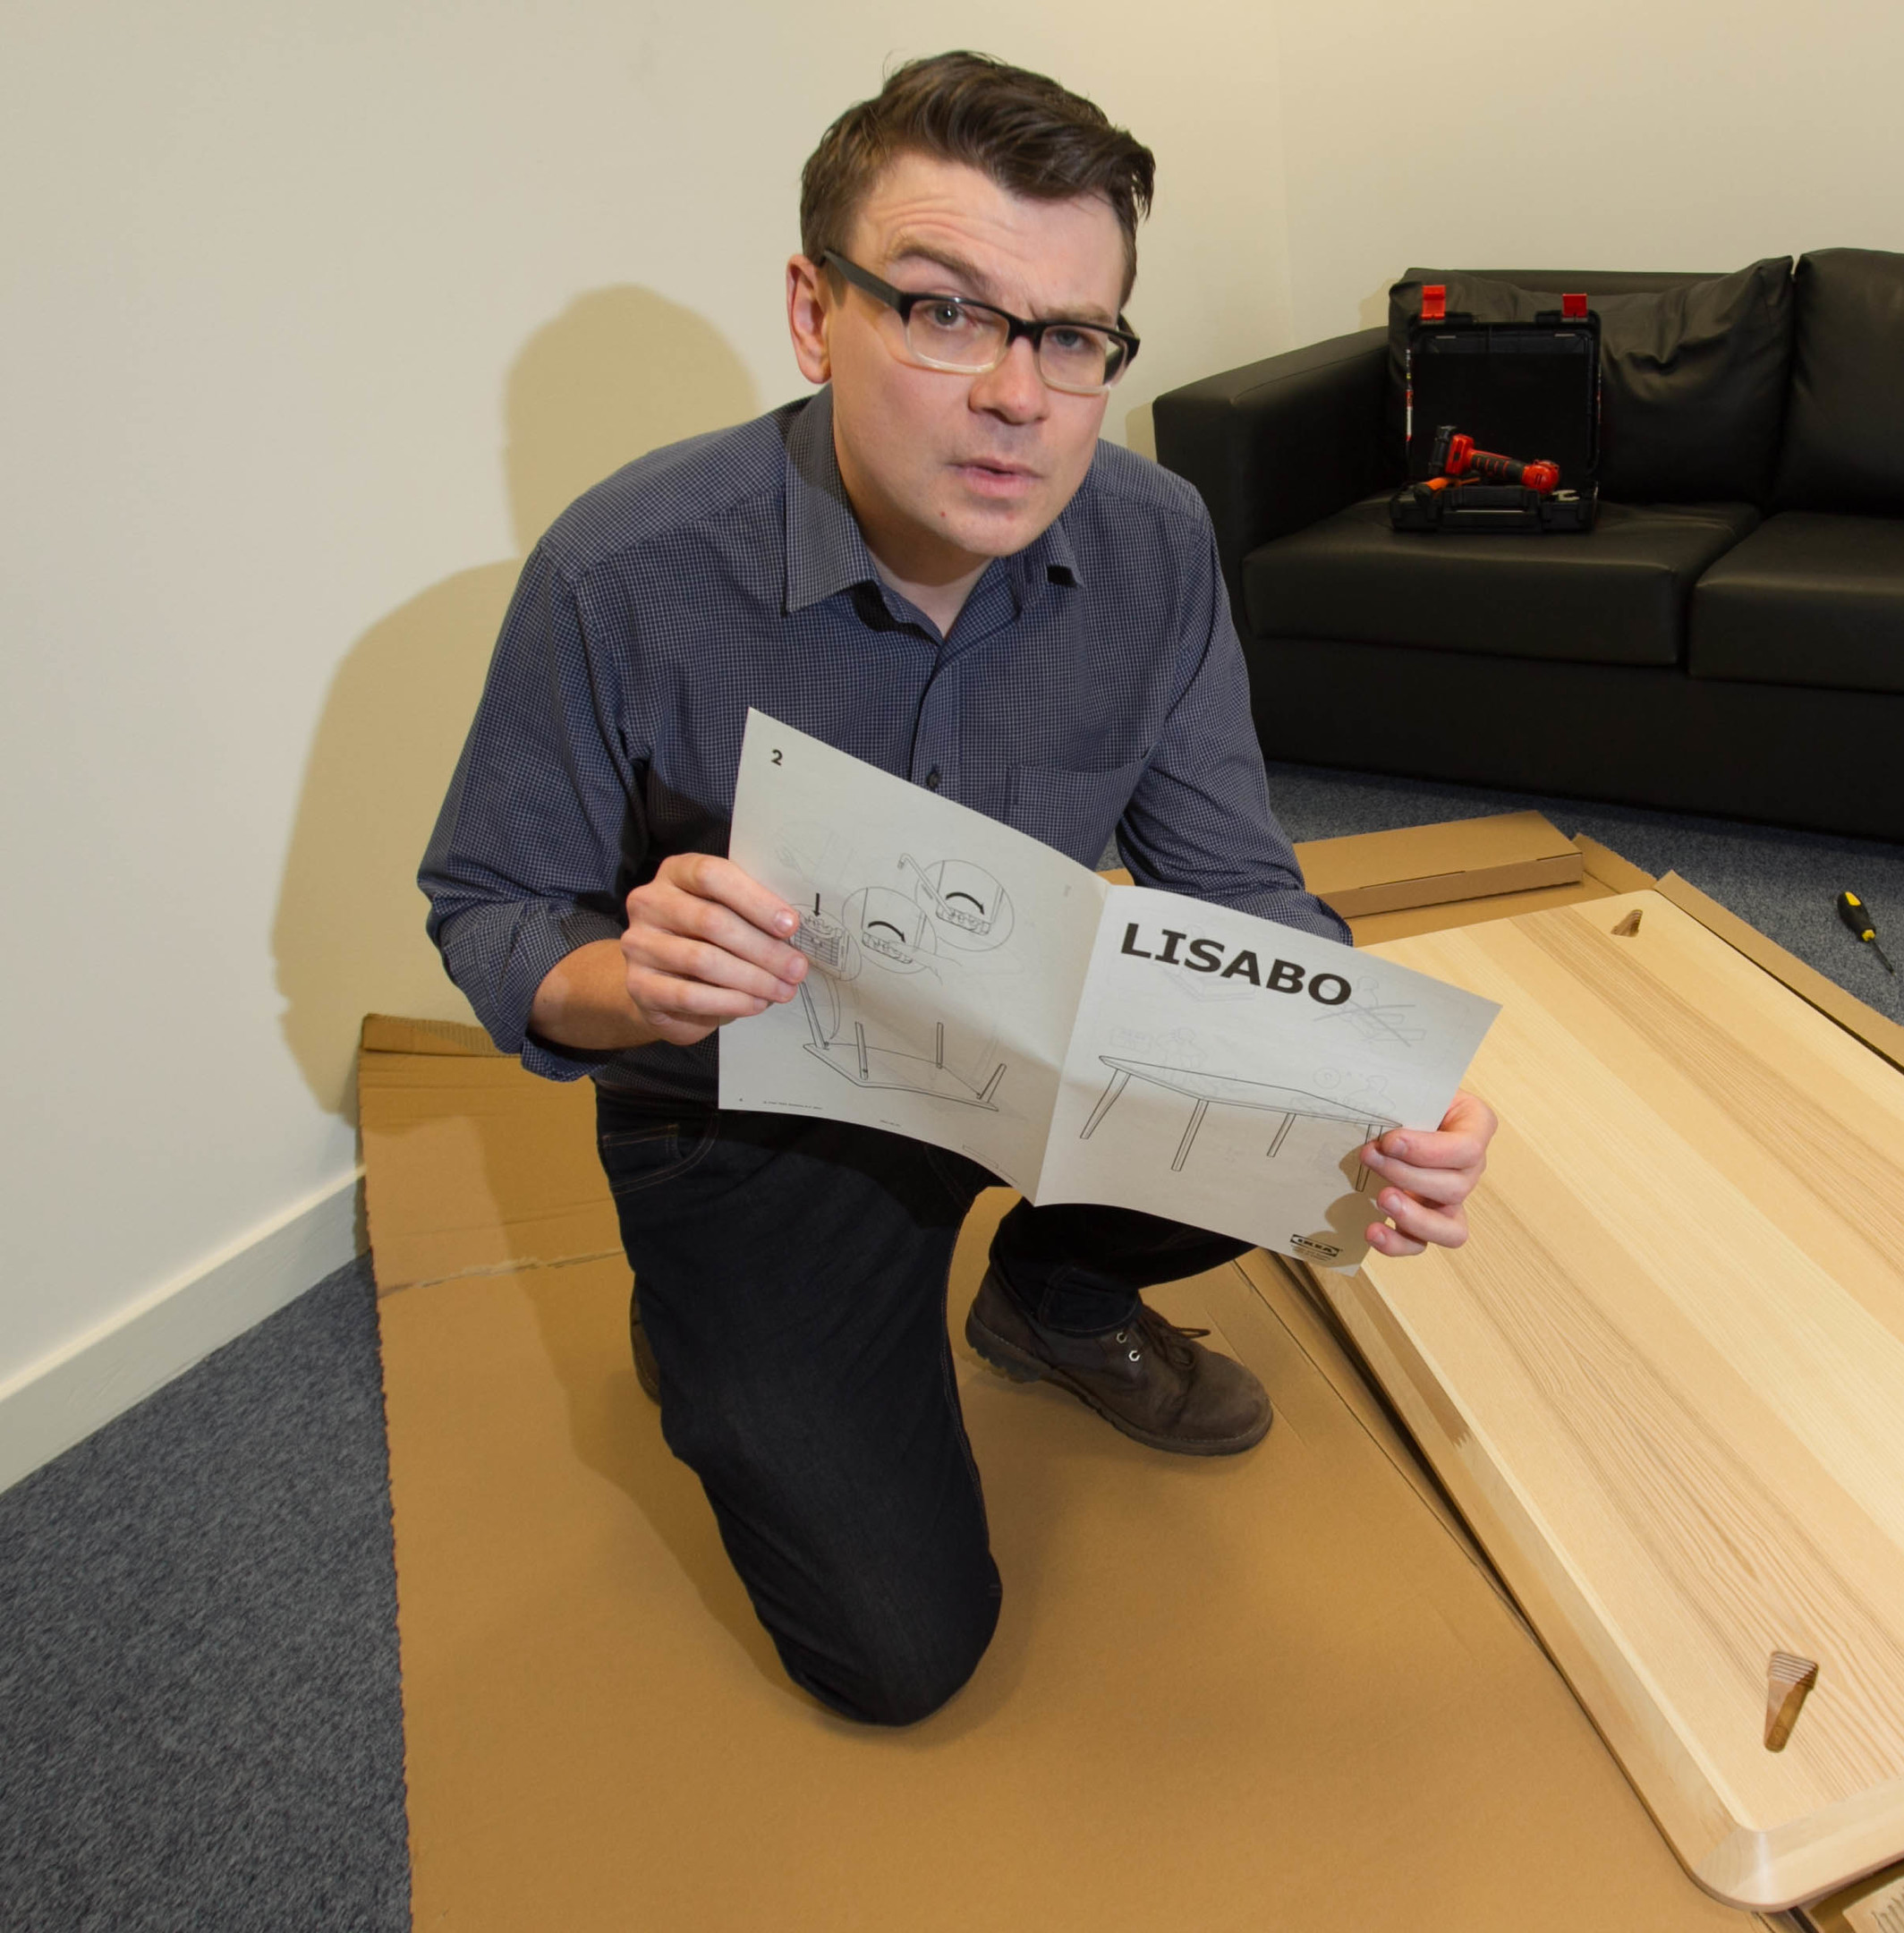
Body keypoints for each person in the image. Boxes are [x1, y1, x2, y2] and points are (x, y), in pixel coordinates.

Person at [419, 51, 1496, 1725]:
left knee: (1304, 1138)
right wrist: (616, 983)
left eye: (1071, 337)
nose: (1018, 396)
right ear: (812, 311)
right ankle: (718, 1321)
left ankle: (1052, 1296)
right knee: (899, 1661)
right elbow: (487, 902)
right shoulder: (621, 572)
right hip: (753, 1113)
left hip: (1025, 1057)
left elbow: (1238, 886)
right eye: (943, 313)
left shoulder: (1154, 541)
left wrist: (1380, 1087)